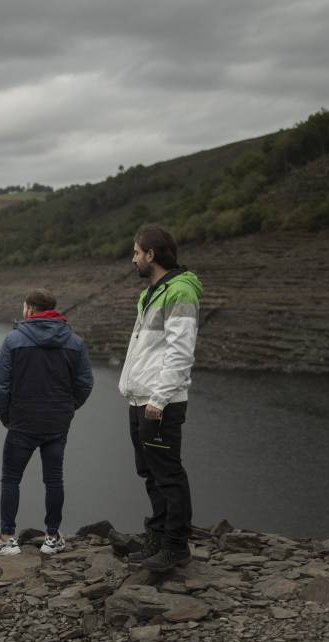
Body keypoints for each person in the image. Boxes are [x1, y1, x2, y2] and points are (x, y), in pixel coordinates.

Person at [0, 289, 93, 557]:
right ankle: (52, 537)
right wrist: (68, 408)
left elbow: (0, 385)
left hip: (22, 421)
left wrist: (6, 415)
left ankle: (7, 537)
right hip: (57, 422)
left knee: (11, 479)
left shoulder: (13, 340)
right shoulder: (74, 342)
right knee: (54, 479)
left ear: (30, 309)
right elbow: (84, 383)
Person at [119, 224, 204, 573]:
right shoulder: (152, 292)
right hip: (141, 400)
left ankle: (175, 547)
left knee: (167, 474)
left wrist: (160, 398)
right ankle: (157, 537)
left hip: (159, 403)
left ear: (151, 254)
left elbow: (180, 352)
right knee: (150, 472)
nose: (134, 258)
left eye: (137, 252)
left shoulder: (180, 291)